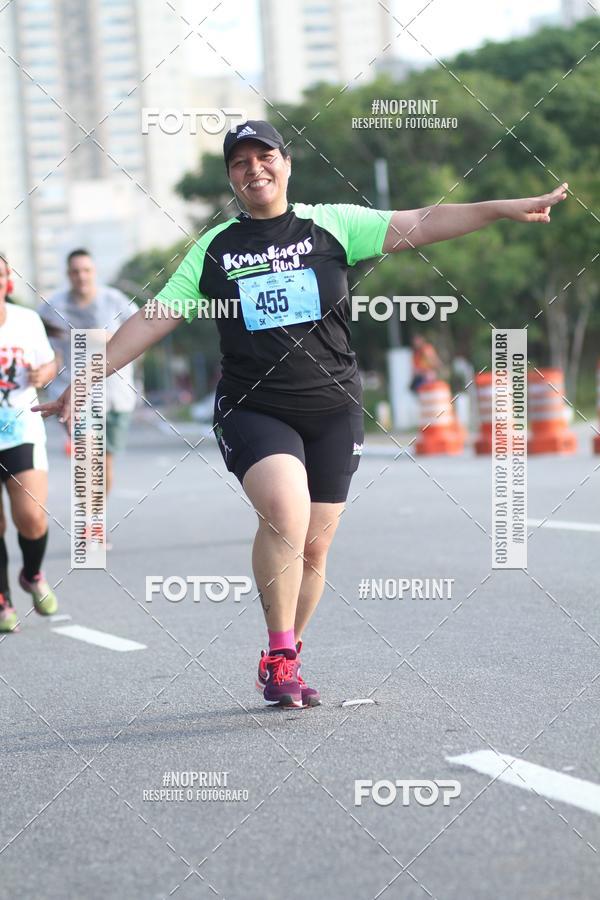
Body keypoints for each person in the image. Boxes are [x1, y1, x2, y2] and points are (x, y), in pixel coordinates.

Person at [34, 119, 568, 705]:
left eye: (264, 156)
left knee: (314, 546)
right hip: (253, 406)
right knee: (285, 513)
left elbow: (421, 221)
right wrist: (80, 380)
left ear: (286, 163)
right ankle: (283, 654)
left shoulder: (332, 225)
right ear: (231, 179)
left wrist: (498, 207)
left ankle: (281, 655)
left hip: (334, 409)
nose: (254, 169)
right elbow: (151, 320)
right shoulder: (214, 250)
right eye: (240, 163)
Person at [39, 249, 139, 547]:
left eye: (86, 270)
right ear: (68, 275)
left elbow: (138, 338)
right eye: (75, 272)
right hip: (75, 396)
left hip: (116, 394)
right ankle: (90, 527)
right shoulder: (52, 308)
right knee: (89, 459)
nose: (81, 276)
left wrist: (109, 339)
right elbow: (46, 350)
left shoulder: (116, 301)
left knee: (105, 464)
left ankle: (96, 518)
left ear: (94, 272)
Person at [0, 253, 59, 633]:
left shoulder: (26, 320)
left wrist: (44, 372)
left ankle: (32, 573)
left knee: (32, 518)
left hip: (21, 430)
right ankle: (2, 599)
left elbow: (50, 363)